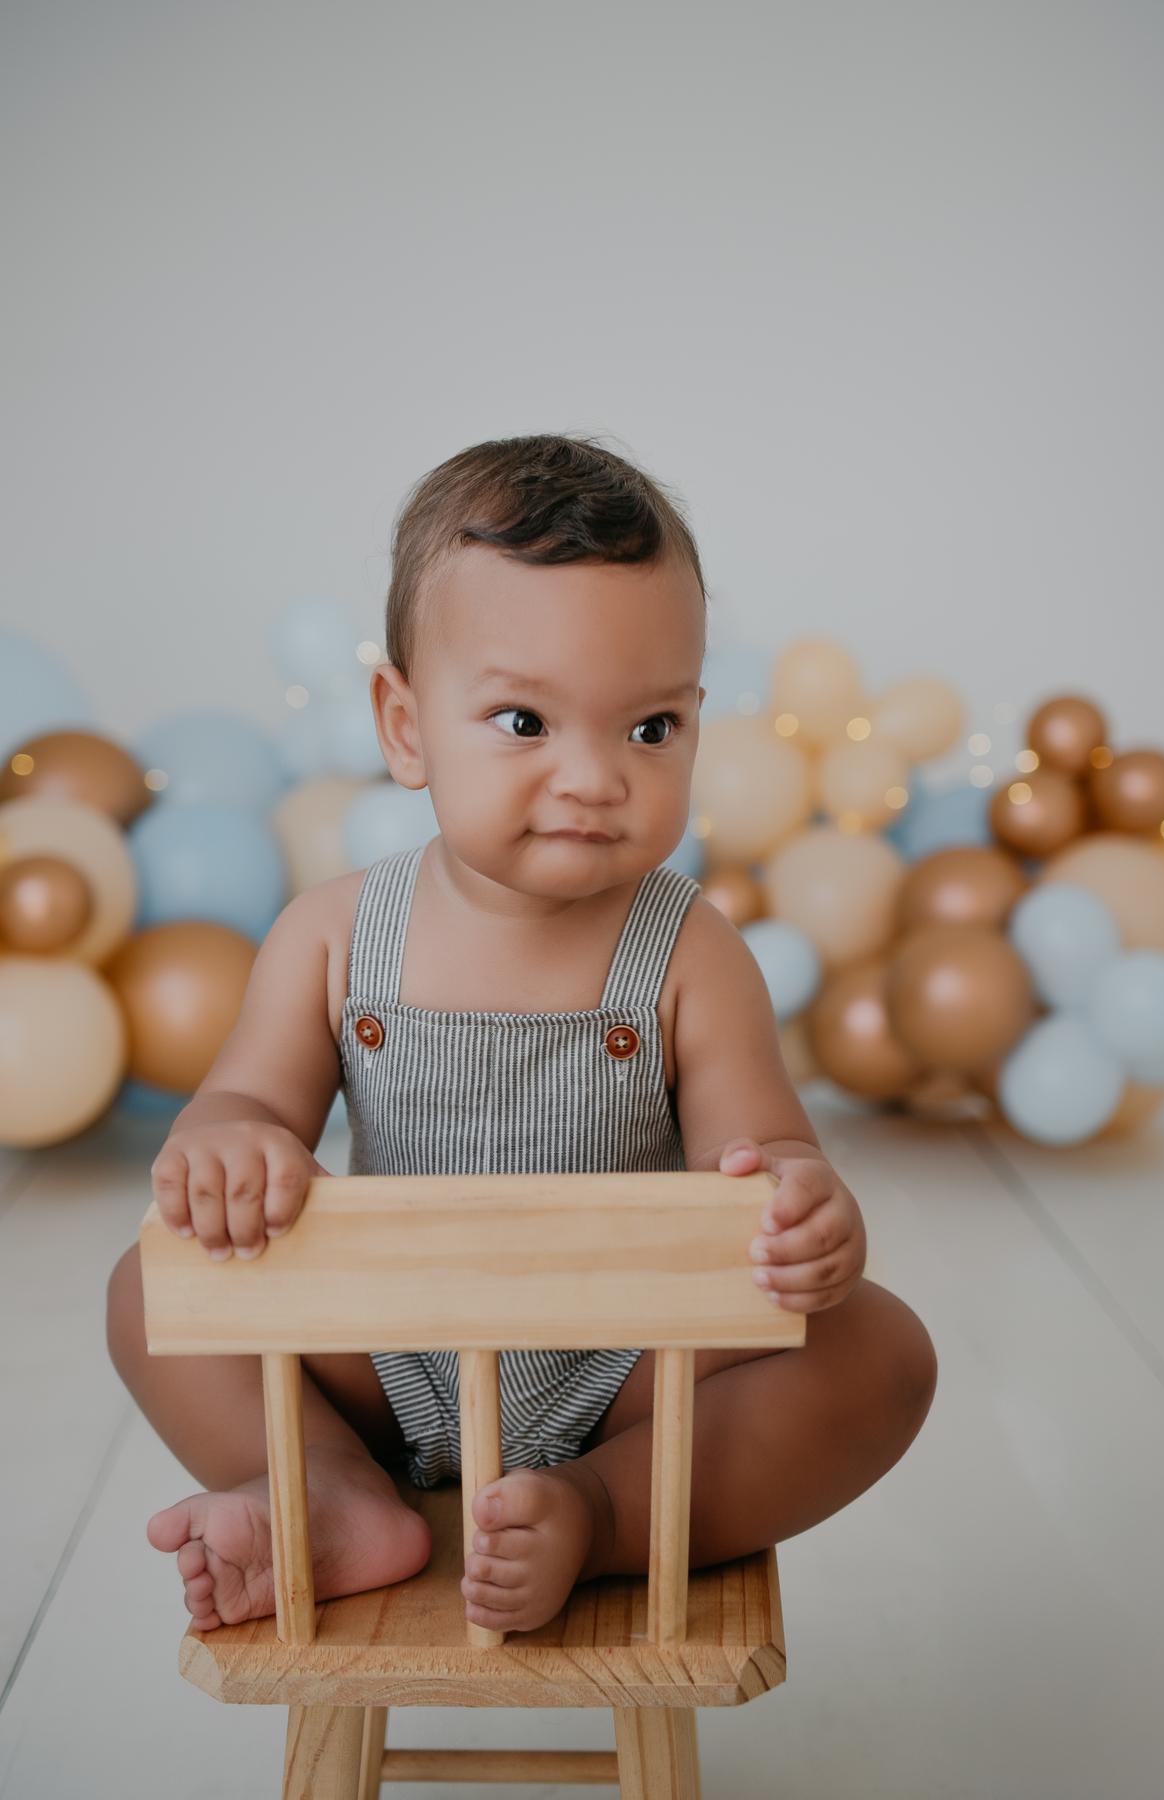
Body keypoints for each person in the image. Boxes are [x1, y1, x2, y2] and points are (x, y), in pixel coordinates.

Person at [107, 435, 936, 1637]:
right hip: (388, 1351)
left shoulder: (689, 952)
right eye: (523, 719)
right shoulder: (334, 936)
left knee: (880, 1352)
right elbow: (242, 1107)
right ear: (404, 726)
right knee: (149, 1287)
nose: (594, 777)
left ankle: (600, 1511)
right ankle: (334, 1493)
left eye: (650, 729)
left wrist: (803, 1205)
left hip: (628, 1370)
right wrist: (232, 1149)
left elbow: (757, 1156)